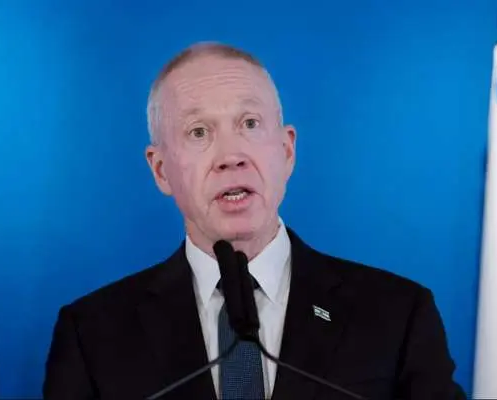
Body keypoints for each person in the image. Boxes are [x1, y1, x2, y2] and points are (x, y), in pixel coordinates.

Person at [43, 42, 466, 400]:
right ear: (160, 170)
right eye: (198, 132)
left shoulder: (398, 316)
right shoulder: (92, 335)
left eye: (249, 123)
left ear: (286, 151)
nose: (231, 156)